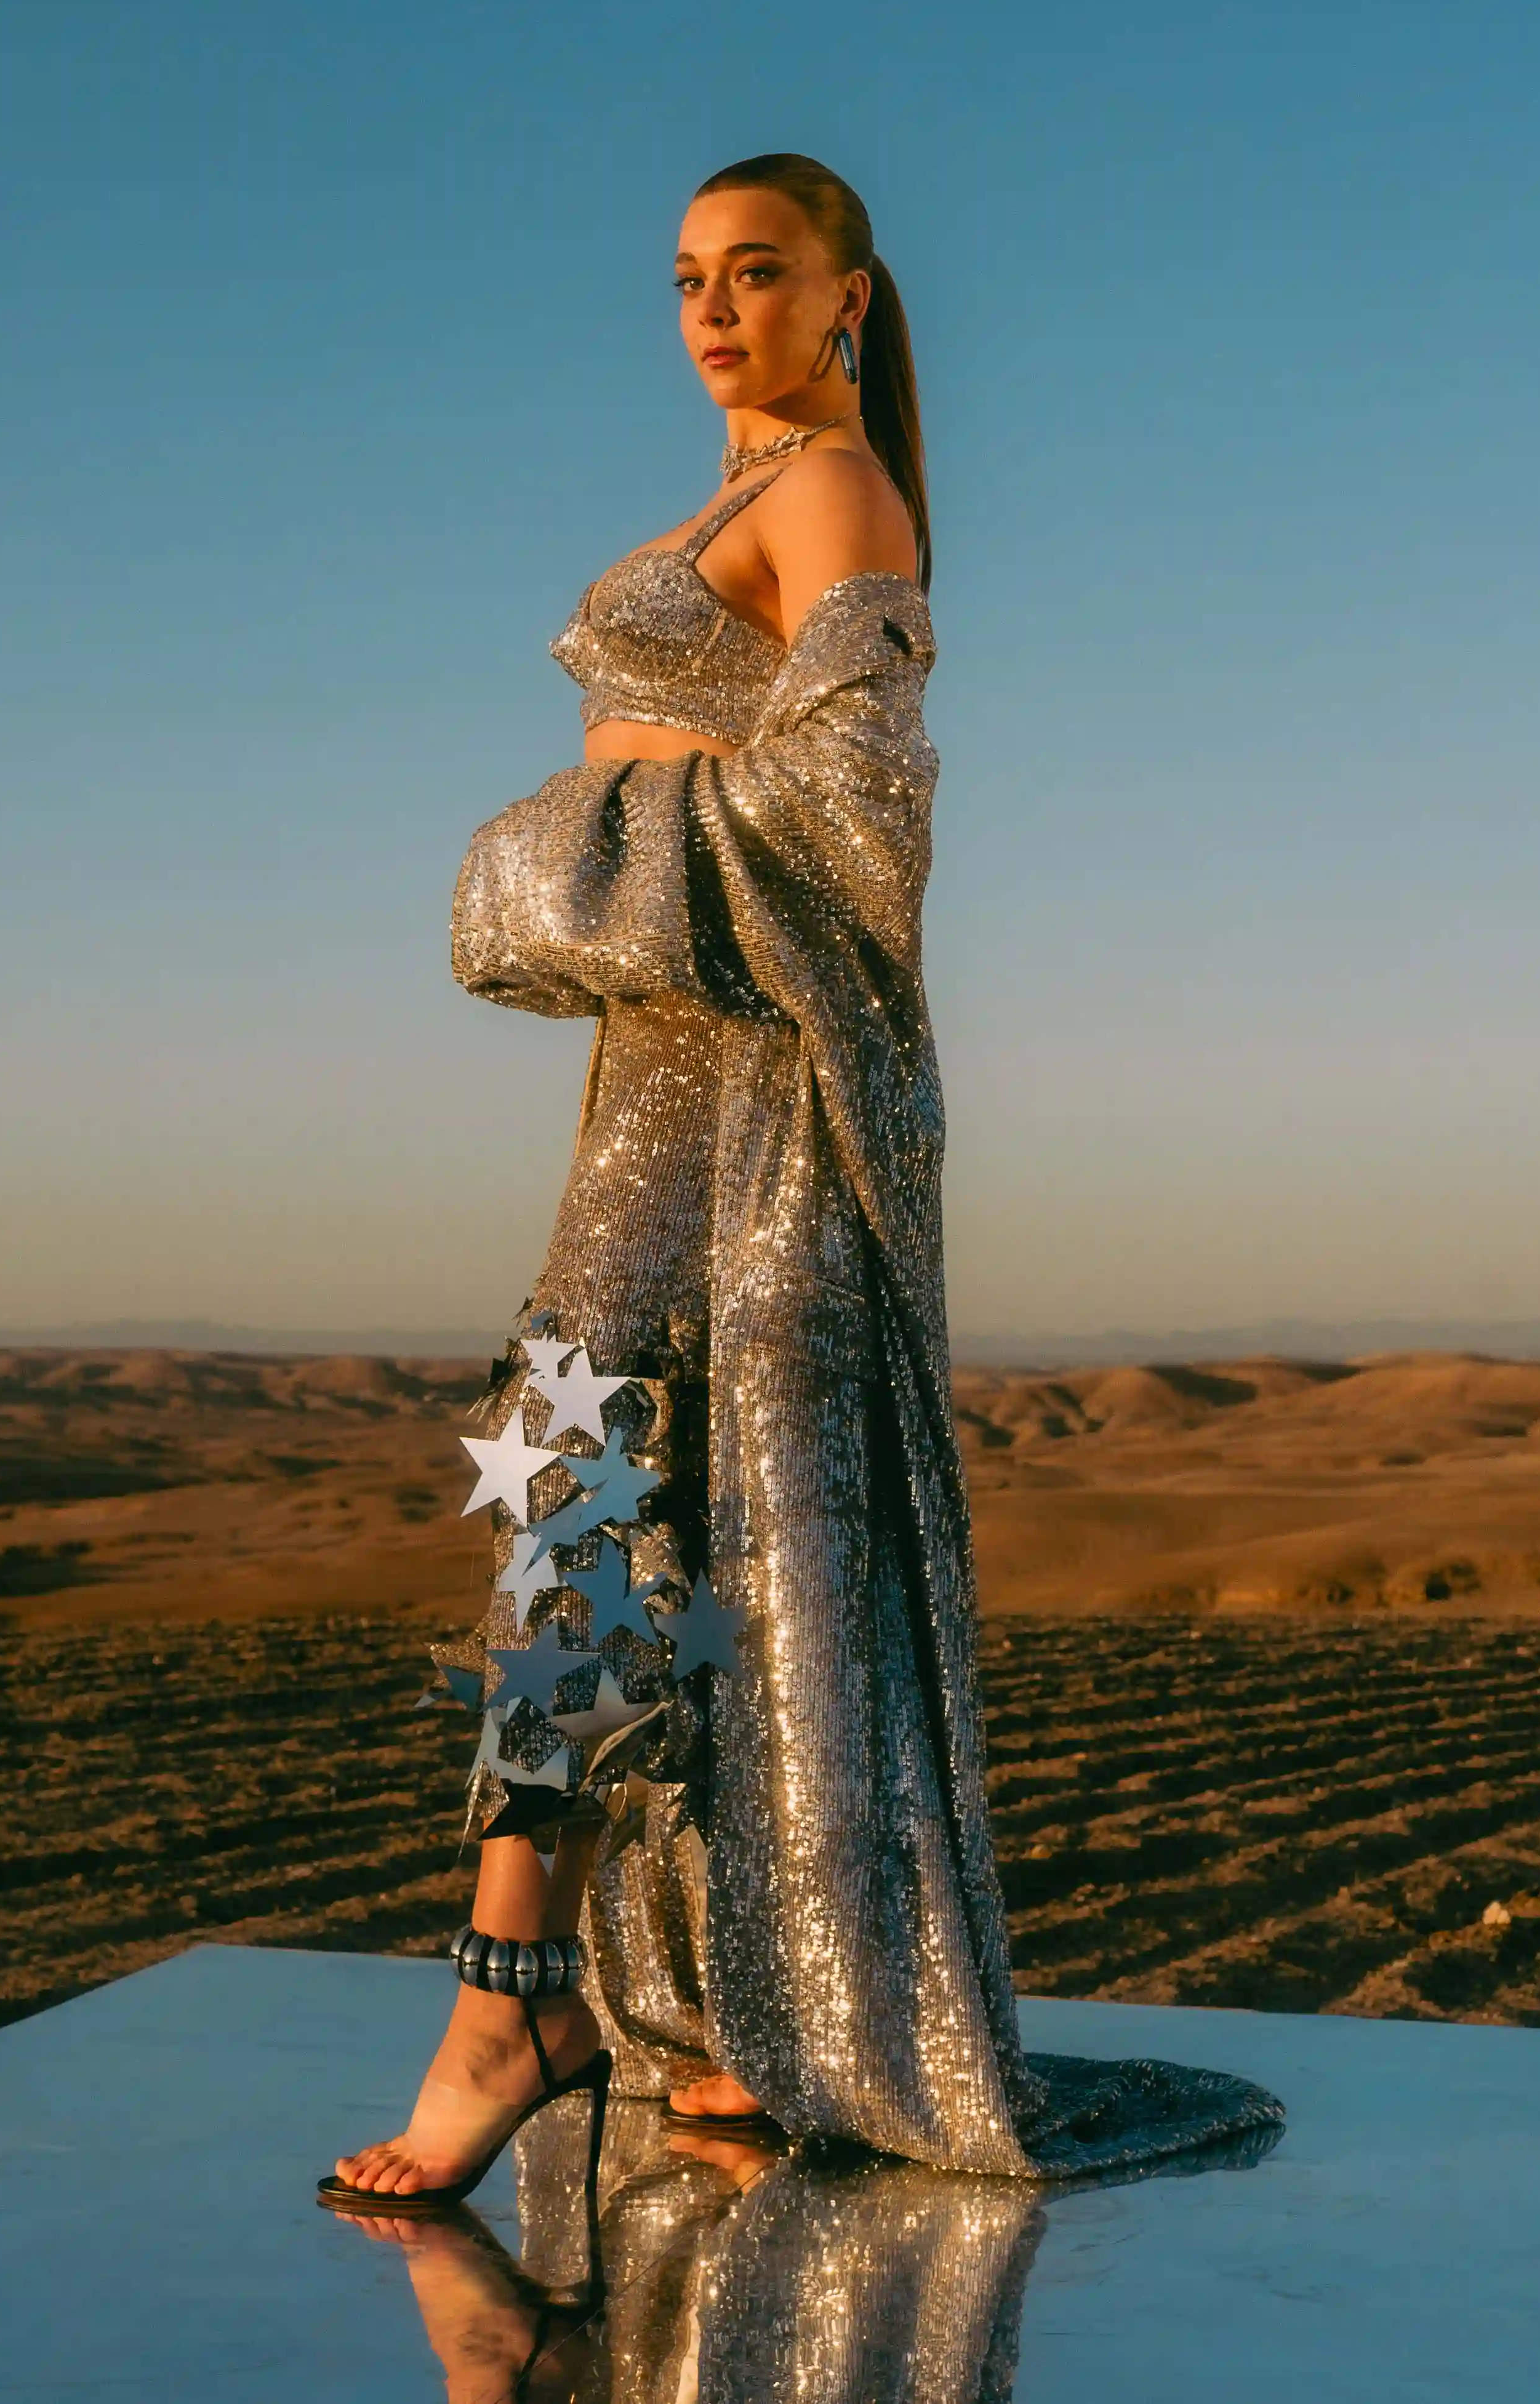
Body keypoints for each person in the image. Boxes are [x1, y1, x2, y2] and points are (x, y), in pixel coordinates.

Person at [324, 154, 1279, 2202]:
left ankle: (508, 2000)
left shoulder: (839, 497)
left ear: (848, 295)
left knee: (616, 1508)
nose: (711, 308)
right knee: (628, 1513)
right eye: (684, 275)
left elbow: (861, 818)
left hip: (771, 1102)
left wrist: (566, 836)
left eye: (756, 272)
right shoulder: (731, 507)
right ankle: (705, 2009)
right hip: (661, 1080)